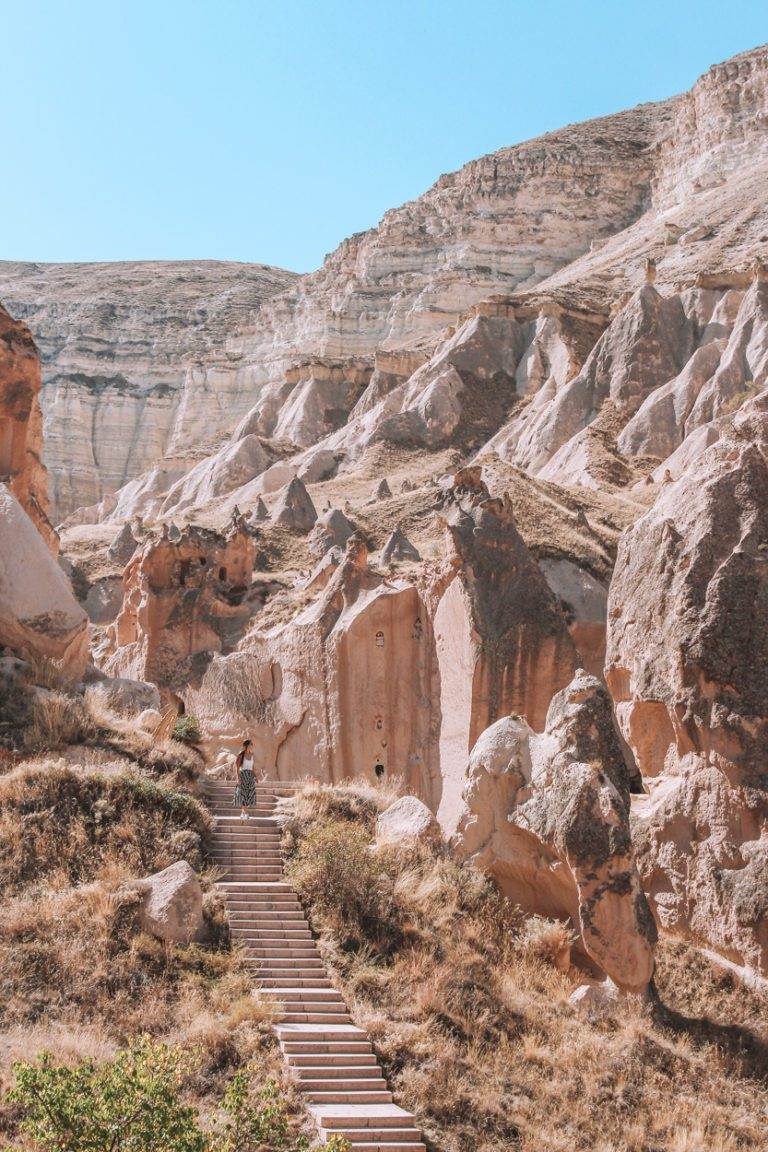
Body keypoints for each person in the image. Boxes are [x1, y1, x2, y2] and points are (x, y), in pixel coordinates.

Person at [233, 739, 257, 820]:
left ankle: (243, 813)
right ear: (247, 746)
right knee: (243, 795)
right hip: (243, 776)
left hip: (250, 777)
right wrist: (238, 778)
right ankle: (246, 813)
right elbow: (237, 768)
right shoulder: (241, 755)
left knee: (249, 795)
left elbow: (253, 767)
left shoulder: (252, 755)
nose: (252, 746)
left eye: (252, 744)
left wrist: (255, 776)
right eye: (250, 744)